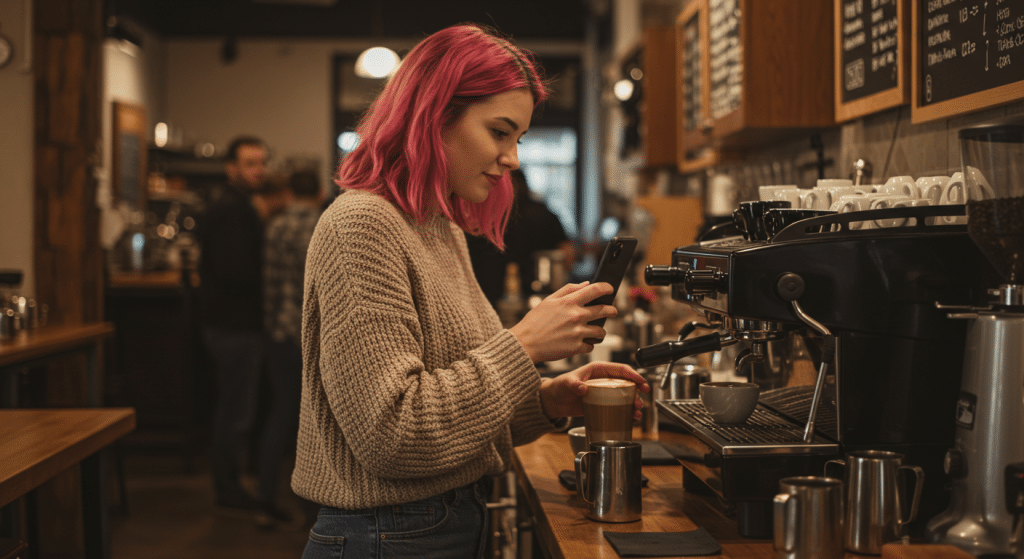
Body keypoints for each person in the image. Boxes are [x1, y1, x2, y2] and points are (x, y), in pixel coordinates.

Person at [292, 24, 649, 558]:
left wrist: (548, 400)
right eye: (499, 132)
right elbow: (393, 438)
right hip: (388, 535)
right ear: (433, 118)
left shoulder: (439, 227)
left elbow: (457, 412)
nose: (513, 158)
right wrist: (523, 345)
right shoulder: (361, 225)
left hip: (441, 523)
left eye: (518, 139)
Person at [198, 135, 268, 515]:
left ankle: (230, 484)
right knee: (235, 412)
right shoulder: (230, 210)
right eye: (250, 164)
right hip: (234, 327)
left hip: (233, 325)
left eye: (261, 163)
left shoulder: (240, 206)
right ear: (232, 169)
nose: (259, 170)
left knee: (235, 409)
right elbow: (235, 273)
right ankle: (227, 488)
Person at [257, 169, 322, 529]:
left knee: (279, 414)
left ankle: (267, 495)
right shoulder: (322, 225)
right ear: (320, 191)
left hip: (278, 333)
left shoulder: (274, 224)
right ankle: (312, 509)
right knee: (309, 421)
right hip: (308, 337)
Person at [466, 168, 575, 307]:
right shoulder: (543, 212)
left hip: (488, 295)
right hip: (538, 296)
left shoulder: (485, 214)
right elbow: (568, 252)